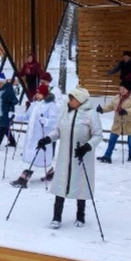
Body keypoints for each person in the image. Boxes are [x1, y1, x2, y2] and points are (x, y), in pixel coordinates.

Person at [38, 85, 103, 228]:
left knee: (80, 185)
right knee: (61, 183)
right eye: (70, 98)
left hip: (81, 156)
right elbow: (58, 130)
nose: (70, 100)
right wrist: (47, 139)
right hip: (64, 156)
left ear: (79, 100)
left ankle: (80, 216)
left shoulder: (91, 114)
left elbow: (98, 135)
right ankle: (56, 217)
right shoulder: (66, 112)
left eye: (72, 98)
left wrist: (87, 147)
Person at [10, 84, 58, 187]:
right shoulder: (34, 104)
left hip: (43, 136)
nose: (37, 95)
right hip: (32, 135)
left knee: (36, 156)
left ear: (45, 94)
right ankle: (50, 173)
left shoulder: (51, 105)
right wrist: (15, 116)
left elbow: (54, 121)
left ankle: (23, 179)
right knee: (36, 156)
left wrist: (46, 121)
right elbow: (26, 116)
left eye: (39, 93)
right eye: (37, 93)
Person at [95, 81, 131, 163]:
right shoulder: (116, 98)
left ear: (128, 89)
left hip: (130, 122)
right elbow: (110, 106)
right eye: (120, 89)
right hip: (118, 122)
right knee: (112, 139)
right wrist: (102, 109)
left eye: (124, 89)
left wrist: (126, 111)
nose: (122, 91)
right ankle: (107, 156)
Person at [0, 73, 19, 150]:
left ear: (4, 82)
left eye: (1, 83)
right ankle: (12, 142)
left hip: (7, 112)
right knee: (5, 128)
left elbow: (16, 101)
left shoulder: (9, 89)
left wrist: (10, 101)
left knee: (3, 127)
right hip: (0, 112)